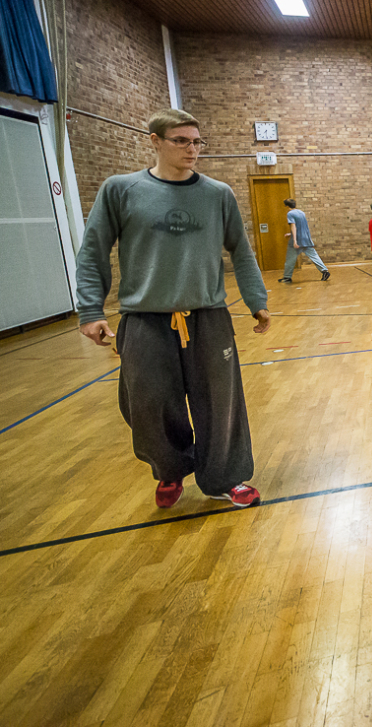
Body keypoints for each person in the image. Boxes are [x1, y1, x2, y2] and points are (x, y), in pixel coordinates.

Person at [75, 108, 267, 509]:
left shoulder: (218, 194)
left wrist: (257, 300)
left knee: (220, 404)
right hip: (144, 319)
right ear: (155, 141)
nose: (192, 149)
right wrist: (91, 310)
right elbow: (93, 252)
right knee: (149, 406)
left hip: (209, 317)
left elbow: (241, 250)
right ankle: (171, 468)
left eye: (197, 141)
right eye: (181, 141)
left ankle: (224, 478)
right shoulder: (121, 190)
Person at [280, 198, 330, 283]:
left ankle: (287, 277)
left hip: (297, 240)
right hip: (306, 238)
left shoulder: (290, 214)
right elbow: (302, 227)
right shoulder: (301, 213)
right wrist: (291, 234)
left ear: (287, 206)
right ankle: (325, 271)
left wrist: (295, 241)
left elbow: (293, 226)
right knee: (314, 256)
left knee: (290, 259)